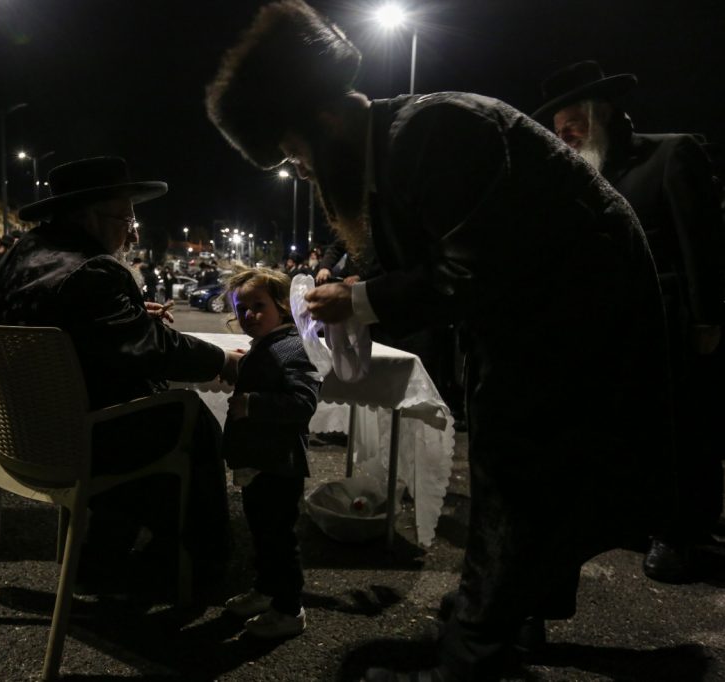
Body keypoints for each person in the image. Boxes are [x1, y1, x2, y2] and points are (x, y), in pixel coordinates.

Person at [206, 3, 670, 680]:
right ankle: (508, 612)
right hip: (534, 315)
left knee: (518, 469)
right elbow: (416, 255)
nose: (298, 168)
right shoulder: (391, 148)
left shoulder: (438, 132)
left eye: (293, 150)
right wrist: (356, 279)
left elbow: (473, 271)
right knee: (524, 468)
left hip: (580, 311)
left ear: (328, 122)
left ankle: (473, 656)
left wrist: (360, 299)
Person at [0, 156, 240, 583]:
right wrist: (222, 360)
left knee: (141, 409)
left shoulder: (14, 262)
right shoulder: (92, 271)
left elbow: (71, 329)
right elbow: (154, 347)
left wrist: (128, 314)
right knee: (189, 418)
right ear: (86, 216)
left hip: (17, 437)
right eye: (125, 217)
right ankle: (200, 559)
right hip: (77, 442)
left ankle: (103, 553)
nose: (133, 231)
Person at [535, 61, 725, 584]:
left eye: (571, 121)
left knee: (683, 428)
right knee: (627, 425)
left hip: (670, 318)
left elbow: (702, 242)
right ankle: (642, 516)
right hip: (607, 327)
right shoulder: (583, 175)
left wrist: (708, 319)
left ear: (600, 112)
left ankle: (683, 533)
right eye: (557, 128)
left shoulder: (670, 152)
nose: (564, 134)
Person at [221, 267, 320, 639]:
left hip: (278, 464)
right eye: (241, 308)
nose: (249, 316)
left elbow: (302, 402)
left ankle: (288, 608)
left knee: (279, 537)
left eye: (258, 306)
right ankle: (266, 590)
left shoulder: (291, 347)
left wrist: (253, 404)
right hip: (260, 461)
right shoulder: (270, 344)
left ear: (283, 306)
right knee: (263, 532)